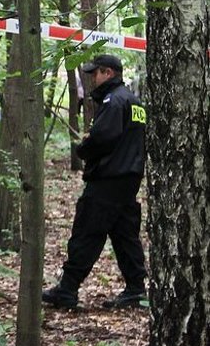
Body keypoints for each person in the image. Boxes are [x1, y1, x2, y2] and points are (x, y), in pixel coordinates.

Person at [42, 54, 147, 309]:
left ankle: (67, 289)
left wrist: (84, 148)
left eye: (95, 74)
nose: (92, 79)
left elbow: (103, 138)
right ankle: (136, 288)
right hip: (128, 178)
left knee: (87, 231)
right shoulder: (135, 103)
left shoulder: (114, 102)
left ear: (108, 73)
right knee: (124, 234)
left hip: (108, 179)